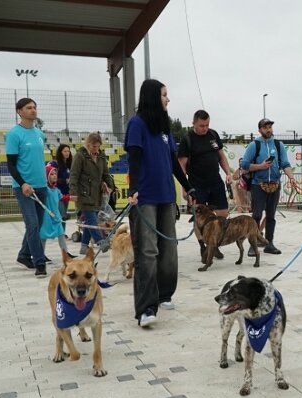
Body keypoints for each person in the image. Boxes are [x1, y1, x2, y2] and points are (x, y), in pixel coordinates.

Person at [124, 78, 194, 327]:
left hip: (166, 197)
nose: (168, 99)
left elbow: (173, 162)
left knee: (168, 250)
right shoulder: (136, 124)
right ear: (154, 96)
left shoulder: (164, 127)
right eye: (165, 94)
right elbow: (134, 157)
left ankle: (165, 294)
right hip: (145, 198)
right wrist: (133, 189)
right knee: (147, 252)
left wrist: (188, 187)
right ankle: (145, 308)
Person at [177, 109, 233, 260]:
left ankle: (214, 244)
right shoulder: (187, 140)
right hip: (196, 184)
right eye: (201, 125)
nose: (205, 128)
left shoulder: (213, 135)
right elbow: (181, 165)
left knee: (223, 213)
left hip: (215, 181)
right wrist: (185, 187)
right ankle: (203, 245)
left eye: (207, 125)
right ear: (193, 123)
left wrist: (228, 172)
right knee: (199, 218)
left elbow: (221, 156)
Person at [240, 118, 299, 256]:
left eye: (270, 127)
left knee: (271, 216)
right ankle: (253, 245)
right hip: (258, 185)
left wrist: (291, 178)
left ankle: (269, 243)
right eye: (265, 127)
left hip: (275, 185)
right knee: (256, 215)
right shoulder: (254, 145)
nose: (269, 129)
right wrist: (260, 166)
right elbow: (244, 165)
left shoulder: (278, 145)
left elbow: (285, 163)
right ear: (260, 130)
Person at [6, 97, 48, 278]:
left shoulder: (39, 133)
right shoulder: (14, 134)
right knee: (32, 224)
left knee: (37, 226)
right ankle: (39, 262)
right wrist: (22, 183)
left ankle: (24, 255)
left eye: (34, 107)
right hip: (24, 187)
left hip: (42, 186)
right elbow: (11, 164)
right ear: (19, 111)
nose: (33, 110)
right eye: (29, 108)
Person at [70, 132, 115, 255]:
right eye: (94, 146)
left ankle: (84, 246)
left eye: (98, 146)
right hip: (83, 194)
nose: (96, 149)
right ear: (88, 145)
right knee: (92, 220)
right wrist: (73, 192)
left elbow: (105, 173)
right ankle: (101, 241)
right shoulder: (80, 156)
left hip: (97, 195)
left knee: (90, 222)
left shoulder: (101, 156)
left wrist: (110, 186)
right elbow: (74, 175)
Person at [41, 163, 74, 259]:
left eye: (55, 173)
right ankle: (40, 255)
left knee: (61, 234)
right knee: (43, 237)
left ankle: (66, 254)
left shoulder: (56, 190)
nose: (54, 175)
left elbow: (62, 197)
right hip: (46, 217)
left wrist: (72, 197)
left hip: (56, 216)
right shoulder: (44, 190)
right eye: (51, 174)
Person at [54, 143, 72, 234]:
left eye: (68, 151)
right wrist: (65, 181)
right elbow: (53, 177)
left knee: (63, 214)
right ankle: (60, 233)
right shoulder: (55, 163)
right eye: (65, 151)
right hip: (58, 194)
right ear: (60, 152)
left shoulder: (69, 164)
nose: (67, 153)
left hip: (66, 194)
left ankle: (62, 232)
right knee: (62, 214)